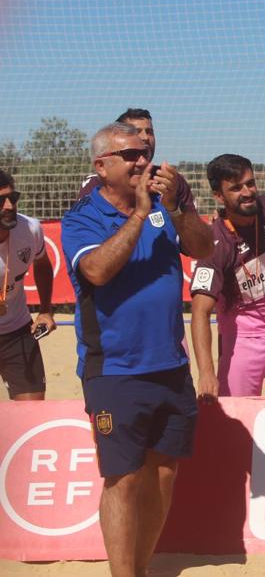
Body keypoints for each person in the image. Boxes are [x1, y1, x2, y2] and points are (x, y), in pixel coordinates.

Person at [61, 121, 213, 577]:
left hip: (171, 364)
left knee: (164, 475)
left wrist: (181, 205)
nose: (142, 161)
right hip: (115, 371)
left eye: (144, 153)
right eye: (129, 155)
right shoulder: (82, 217)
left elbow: (203, 247)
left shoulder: (166, 208)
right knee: (123, 479)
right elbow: (97, 271)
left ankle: (140, 570)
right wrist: (139, 214)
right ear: (102, 165)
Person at [189, 154, 265, 399]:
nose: (247, 192)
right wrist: (205, 372)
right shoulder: (215, 243)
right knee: (236, 418)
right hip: (242, 341)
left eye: (250, 183)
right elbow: (200, 311)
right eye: (236, 188)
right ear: (218, 196)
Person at [0, 171, 56, 400]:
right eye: (1, 200)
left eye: (13, 198)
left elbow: (42, 264)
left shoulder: (30, 229)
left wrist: (45, 310)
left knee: (32, 414)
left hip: (17, 330)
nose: (9, 205)